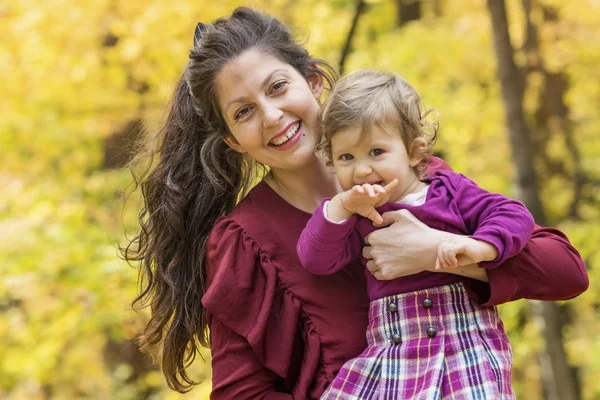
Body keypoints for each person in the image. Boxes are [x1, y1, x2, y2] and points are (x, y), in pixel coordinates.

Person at [121, 7, 589, 399]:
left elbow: (567, 272)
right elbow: (241, 394)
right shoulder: (246, 241)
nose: (271, 116)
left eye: (278, 87)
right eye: (243, 112)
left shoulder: (415, 177)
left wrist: (438, 252)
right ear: (233, 140)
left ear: (313, 81)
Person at [297, 69, 535, 399]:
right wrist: (339, 206)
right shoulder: (357, 214)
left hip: (462, 339)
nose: (362, 169)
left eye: (376, 152)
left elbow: (513, 214)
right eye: (346, 157)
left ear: (413, 151)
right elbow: (315, 258)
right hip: (393, 348)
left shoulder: (449, 191)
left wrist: (480, 246)